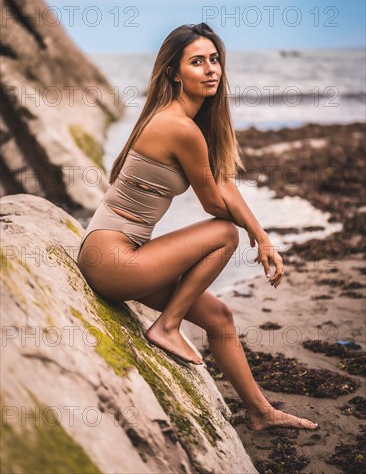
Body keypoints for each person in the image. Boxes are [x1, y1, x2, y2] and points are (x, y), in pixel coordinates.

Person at [77, 23, 318, 431]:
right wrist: (254, 237)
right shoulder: (179, 127)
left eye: (214, 59)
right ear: (174, 72)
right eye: (197, 62)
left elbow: (221, 181)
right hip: (114, 259)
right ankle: (168, 326)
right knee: (225, 233)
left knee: (220, 316)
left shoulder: (186, 121)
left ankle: (262, 412)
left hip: (118, 255)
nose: (211, 69)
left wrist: (263, 238)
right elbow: (213, 203)